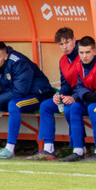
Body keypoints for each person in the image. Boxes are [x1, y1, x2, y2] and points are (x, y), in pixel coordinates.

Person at [0, 41, 55, 159]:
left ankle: (10, 149)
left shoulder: (18, 62)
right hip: (15, 95)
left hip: (38, 95)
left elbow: (20, 91)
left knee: (14, 104)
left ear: (5, 56)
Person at [57, 35, 96, 162]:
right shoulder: (79, 65)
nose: (84, 56)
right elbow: (79, 87)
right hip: (91, 99)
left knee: (93, 108)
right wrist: (84, 95)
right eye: (81, 52)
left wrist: (84, 95)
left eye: (87, 52)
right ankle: (79, 151)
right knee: (73, 108)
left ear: (95, 52)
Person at [33, 27, 79, 161]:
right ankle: (48, 149)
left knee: (71, 108)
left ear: (74, 40)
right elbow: (65, 83)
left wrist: (73, 97)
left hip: (82, 96)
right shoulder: (63, 60)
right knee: (46, 106)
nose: (65, 47)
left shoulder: (82, 55)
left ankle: (79, 148)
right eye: (61, 44)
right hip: (69, 96)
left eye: (67, 42)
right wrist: (59, 94)